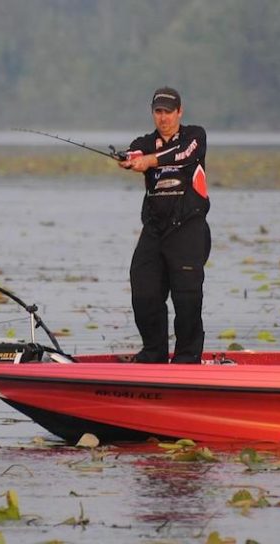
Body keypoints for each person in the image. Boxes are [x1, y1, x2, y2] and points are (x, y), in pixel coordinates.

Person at [119, 86, 210, 364]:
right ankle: (153, 352)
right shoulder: (144, 142)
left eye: (168, 112)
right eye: (158, 112)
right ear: (152, 113)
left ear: (179, 112)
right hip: (155, 230)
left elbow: (182, 154)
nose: (163, 118)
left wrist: (149, 161)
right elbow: (135, 153)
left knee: (186, 296)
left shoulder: (195, 136)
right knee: (143, 288)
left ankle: (187, 356)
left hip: (188, 228)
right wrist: (129, 159)